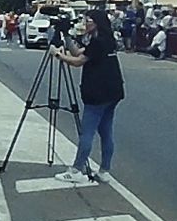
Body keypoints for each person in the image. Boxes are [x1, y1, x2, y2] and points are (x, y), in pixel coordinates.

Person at [51, 10, 123, 184]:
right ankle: (105, 170)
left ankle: (77, 169)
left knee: (87, 131)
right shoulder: (107, 40)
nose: (86, 23)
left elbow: (78, 61)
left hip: (98, 93)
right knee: (106, 131)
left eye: (89, 20)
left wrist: (58, 54)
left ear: (97, 23)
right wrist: (67, 36)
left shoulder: (98, 42)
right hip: (113, 91)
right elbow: (79, 53)